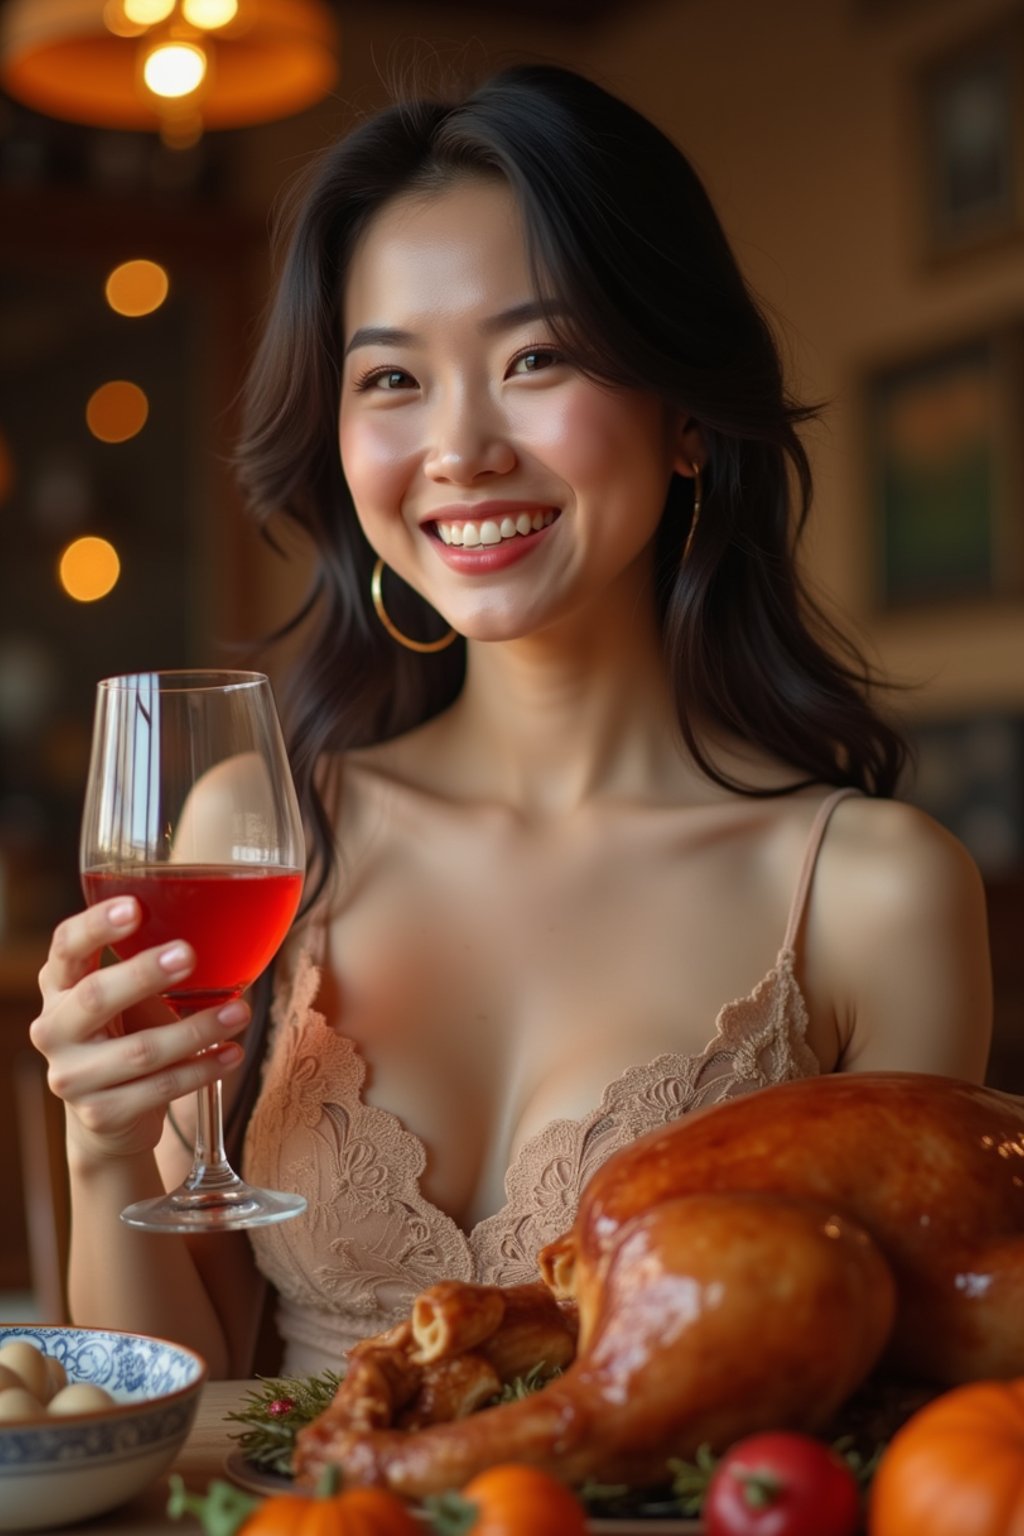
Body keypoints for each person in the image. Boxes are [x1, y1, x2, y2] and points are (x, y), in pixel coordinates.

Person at [31, 65, 992, 1381]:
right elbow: (168, 1395)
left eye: (536, 358)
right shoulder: (260, 834)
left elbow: (921, 1424)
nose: (460, 448)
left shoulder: (873, 896)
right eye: (392, 379)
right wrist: (99, 1141)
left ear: (689, 420)